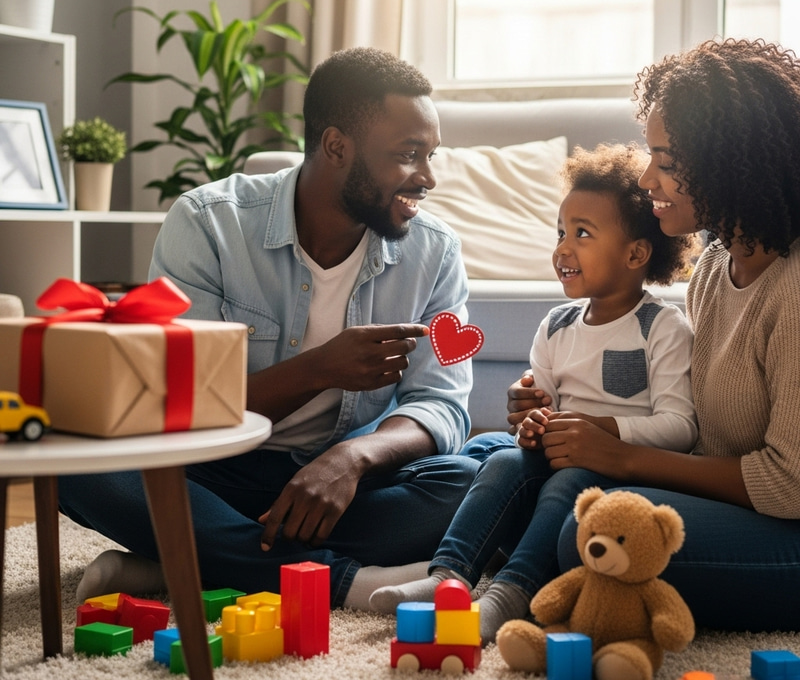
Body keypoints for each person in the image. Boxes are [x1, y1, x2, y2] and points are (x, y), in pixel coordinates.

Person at [58, 46, 480, 610]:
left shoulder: (435, 252)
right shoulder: (208, 224)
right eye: (409, 155)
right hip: (212, 467)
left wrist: (351, 460)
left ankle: (183, 559)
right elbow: (179, 403)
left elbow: (441, 404)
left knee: (486, 470)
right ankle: (343, 583)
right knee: (77, 464)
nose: (426, 177)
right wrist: (321, 370)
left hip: (340, 481)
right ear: (336, 146)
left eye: (430, 155)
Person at [511, 37, 800, 633]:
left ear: (729, 161)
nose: (647, 178)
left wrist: (623, 456)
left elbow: (787, 483)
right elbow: (701, 433)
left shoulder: (792, 290)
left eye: (666, 161)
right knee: (503, 462)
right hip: (738, 507)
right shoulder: (716, 267)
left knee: (589, 538)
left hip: (790, 530)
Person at [369, 143, 697, 642]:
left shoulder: (662, 328)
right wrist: (528, 418)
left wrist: (597, 431)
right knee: (498, 460)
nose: (563, 249)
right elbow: (535, 410)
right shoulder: (556, 324)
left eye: (582, 234)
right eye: (561, 233)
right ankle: (447, 576)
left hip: (619, 474)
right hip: (562, 456)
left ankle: (510, 592)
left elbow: (680, 428)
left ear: (635, 253)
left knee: (569, 484)